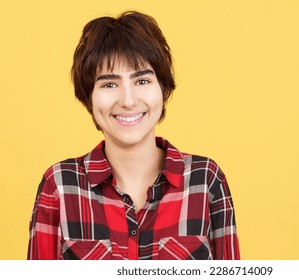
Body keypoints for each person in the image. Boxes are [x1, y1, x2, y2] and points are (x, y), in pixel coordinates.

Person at [27, 10, 240, 260]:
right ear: (89, 97)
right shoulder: (59, 187)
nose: (128, 101)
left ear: (163, 89)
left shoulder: (206, 181)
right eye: (109, 84)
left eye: (142, 81)